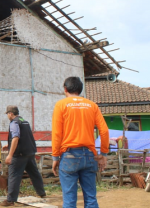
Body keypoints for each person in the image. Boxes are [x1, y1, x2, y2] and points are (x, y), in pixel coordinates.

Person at [51, 77, 109, 208]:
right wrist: (104, 154)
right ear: (80, 90)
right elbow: (104, 131)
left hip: (69, 156)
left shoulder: (61, 105)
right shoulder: (92, 105)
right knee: (91, 198)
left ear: (65, 89)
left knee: (70, 200)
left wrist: (55, 157)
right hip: (89, 156)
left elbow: (56, 133)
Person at [0, 106, 46, 206]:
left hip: (19, 154)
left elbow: (16, 138)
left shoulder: (14, 122)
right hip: (29, 153)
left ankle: (10, 200)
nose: (7, 116)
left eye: (7, 114)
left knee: (14, 175)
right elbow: (24, 137)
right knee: (34, 174)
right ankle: (41, 193)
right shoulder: (24, 121)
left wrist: (10, 155)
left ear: (11, 113)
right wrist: (9, 144)